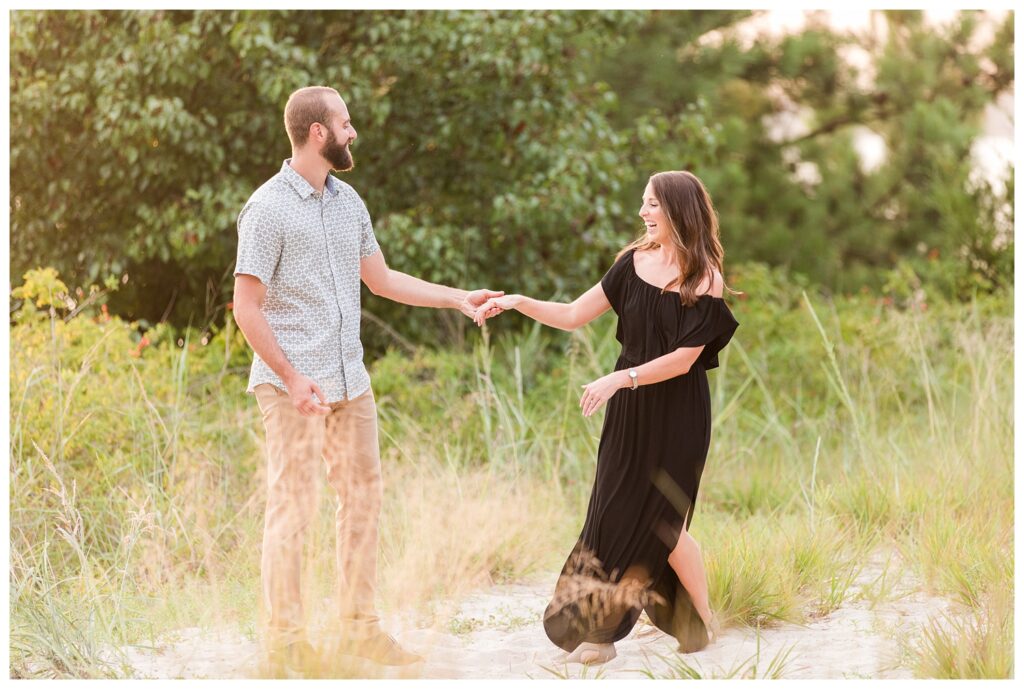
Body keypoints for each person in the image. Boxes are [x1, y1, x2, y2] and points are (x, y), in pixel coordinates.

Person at [232, 85, 503, 673]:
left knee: (362, 502)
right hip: (290, 388)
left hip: (350, 381)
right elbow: (245, 307)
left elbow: (380, 280)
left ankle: (359, 629)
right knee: (293, 507)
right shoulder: (267, 208)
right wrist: (291, 375)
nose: (354, 132)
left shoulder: (348, 200)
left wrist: (460, 299)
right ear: (318, 133)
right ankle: (284, 643)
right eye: (346, 123)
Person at [474, 170, 740, 664]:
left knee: (664, 520)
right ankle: (650, 628)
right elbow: (575, 314)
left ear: (679, 211)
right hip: (631, 412)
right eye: (643, 204)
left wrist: (620, 379)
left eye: (652, 205)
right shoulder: (631, 263)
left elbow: (684, 360)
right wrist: (517, 302)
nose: (643, 213)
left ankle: (662, 628)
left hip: (677, 413)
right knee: (613, 510)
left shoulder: (705, 279)